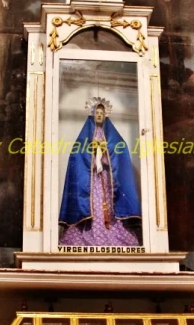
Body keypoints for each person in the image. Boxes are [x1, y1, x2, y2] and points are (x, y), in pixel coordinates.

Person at [59, 98, 141, 246]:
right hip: (91, 180)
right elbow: (77, 155)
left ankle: (112, 236)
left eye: (101, 113)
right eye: (96, 113)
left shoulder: (112, 138)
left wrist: (106, 155)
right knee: (93, 206)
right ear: (92, 114)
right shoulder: (85, 137)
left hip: (108, 179)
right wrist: (90, 156)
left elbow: (120, 154)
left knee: (109, 205)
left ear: (105, 115)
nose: (98, 115)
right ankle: (90, 234)